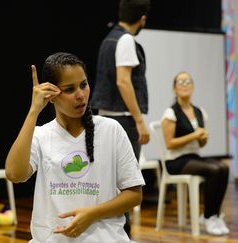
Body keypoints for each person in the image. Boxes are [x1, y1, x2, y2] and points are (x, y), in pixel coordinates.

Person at [5, 52, 145, 243]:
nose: (80, 95)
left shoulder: (111, 130)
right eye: (69, 89)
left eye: (83, 85)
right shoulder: (41, 135)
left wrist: (92, 214)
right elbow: (14, 174)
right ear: (51, 94)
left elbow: (134, 195)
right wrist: (33, 111)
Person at [89, 0, 151, 237]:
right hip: (123, 121)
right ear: (142, 18)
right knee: (127, 188)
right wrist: (139, 121)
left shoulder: (109, 38)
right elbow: (123, 81)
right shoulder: (125, 40)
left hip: (108, 118)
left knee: (112, 185)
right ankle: (122, 237)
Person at [160, 71, 230, 236]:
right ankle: (208, 216)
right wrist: (195, 134)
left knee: (223, 167)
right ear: (174, 89)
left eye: (188, 81)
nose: (185, 84)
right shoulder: (170, 113)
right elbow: (169, 144)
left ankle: (215, 214)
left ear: (193, 87)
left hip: (193, 158)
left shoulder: (200, 112)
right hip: (175, 161)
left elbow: (200, 143)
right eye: (180, 82)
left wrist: (203, 137)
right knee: (213, 170)